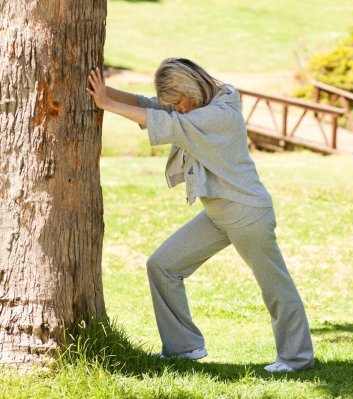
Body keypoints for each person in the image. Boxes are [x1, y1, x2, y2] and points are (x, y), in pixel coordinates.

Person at [85, 58, 314, 373]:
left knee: (275, 285)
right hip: (219, 213)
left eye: (179, 103)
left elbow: (165, 121)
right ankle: (185, 347)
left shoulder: (217, 115)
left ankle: (296, 358)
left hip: (246, 213)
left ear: (191, 90)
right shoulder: (198, 105)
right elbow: (149, 106)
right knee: (162, 266)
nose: (177, 109)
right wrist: (101, 89)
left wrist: (107, 104)